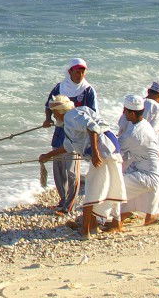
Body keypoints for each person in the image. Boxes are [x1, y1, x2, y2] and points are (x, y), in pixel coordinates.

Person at [38, 95, 126, 239]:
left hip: (103, 152)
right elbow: (68, 146)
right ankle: (114, 223)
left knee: (92, 189)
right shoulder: (72, 119)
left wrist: (96, 154)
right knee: (112, 186)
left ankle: (85, 231)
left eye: (54, 113)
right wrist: (47, 155)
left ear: (60, 111)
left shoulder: (71, 116)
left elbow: (92, 127)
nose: (53, 116)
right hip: (111, 149)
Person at [42, 58, 97, 216]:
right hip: (60, 130)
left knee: (72, 169)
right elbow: (48, 105)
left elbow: (92, 114)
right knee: (58, 167)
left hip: (77, 133)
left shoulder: (88, 90)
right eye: (77, 71)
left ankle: (69, 204)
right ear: (70, 72)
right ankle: (62, 199)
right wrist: (48, 119)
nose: (80, 74)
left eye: (82, 71)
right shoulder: (60, 87)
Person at [117, 94, 159, 227]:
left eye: (125, 111)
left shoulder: (134, 134)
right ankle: (144, 215)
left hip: (147, 175)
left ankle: (109, 219)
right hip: (146, 168)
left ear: (131, 113)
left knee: (114, 187)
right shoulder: (143, 124)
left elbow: (115, 149)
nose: (123, 113)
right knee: (123, 177)